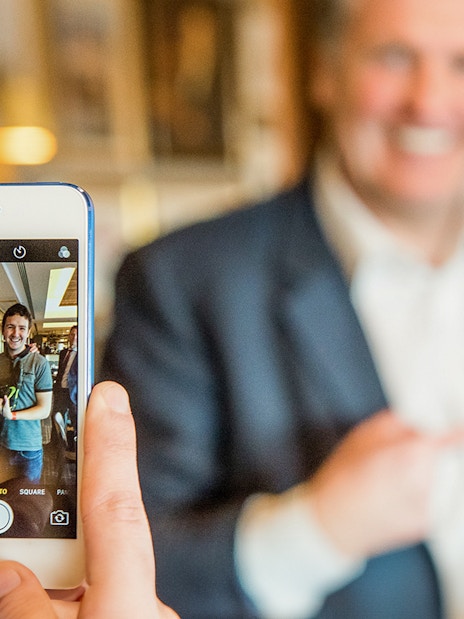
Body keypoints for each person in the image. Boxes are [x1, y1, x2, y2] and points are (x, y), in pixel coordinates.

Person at [100, 0, 464, 617]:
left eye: (461, 62)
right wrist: (316, 529)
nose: (429, 101)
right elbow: (125, 566)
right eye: (394, 57)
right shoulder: (181, 282)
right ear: (325, 72)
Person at [0, 381, 179, 619]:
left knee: (32, 492)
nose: (15, 339)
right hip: (12, 442)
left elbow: (45, 408)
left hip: (29, 442)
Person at [0, 304, 53, 484]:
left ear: (28, 331)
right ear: (3, 331)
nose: (16, 333)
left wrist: (12, 415)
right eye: (10, 327)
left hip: (28, 449)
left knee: (28, 507)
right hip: (1, 445)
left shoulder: (39, 363)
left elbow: (44, 409)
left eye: (21, 328)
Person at [52, 325, 78, 455]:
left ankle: (74, 449)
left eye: (77, 335)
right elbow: (61, 372)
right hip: (61, 390)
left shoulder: (83, 354)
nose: (74, 337)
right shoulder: (63, 353)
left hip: (73, 393)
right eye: (72, 334)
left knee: (75, 421)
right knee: (56, 416)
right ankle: (57, 446)